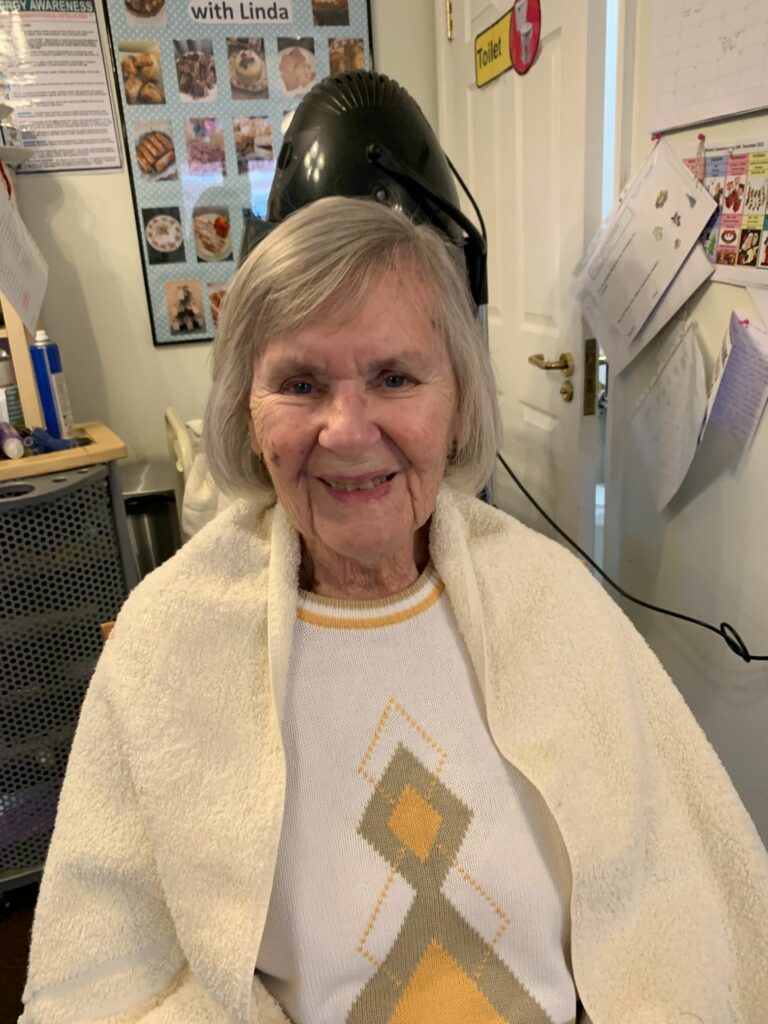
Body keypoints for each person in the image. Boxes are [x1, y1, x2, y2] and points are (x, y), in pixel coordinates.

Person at [20, 197, 768, 1024]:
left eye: (395, 378)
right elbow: (111, 978)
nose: (347, 431)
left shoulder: (553, 601)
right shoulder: (166, 644)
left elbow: (675, 896)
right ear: (246, 416)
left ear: (459, 407)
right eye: (300, 384)